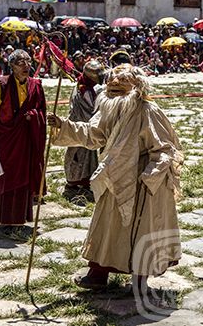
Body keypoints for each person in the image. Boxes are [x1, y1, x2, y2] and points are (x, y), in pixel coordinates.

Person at [48, 63, 183, 294]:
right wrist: (63, 126)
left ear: (136, 86)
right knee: (107, 224)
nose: (113, 84)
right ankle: (98, 273)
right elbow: (93, 135)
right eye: (112, 80)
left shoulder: (148, 111)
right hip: (115, 173)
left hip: (143, 178)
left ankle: (140, 279)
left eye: (121, 81)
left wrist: (149, 176)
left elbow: (165, 149)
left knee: (142, 228)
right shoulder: (109, 108)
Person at [0, 49, 47, 239]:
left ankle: (20, 219)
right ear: (12, 66)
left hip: (26, 139)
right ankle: (5, 220)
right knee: (6, 178)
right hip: (6, 140)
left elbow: (41, 110)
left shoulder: (36, 85)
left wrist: (35, 117)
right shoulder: (2, 84)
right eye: (20, 63)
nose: (26, 66)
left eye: (28, 62)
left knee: (24, 179)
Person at [62, 59, 105, 206]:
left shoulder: (88, 87)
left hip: (84, 128)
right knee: (78, 155)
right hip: (80, 126)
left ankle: (85, 182)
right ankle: (74, 184)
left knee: (88, 155)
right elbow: (90, 110)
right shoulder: (84, 89)